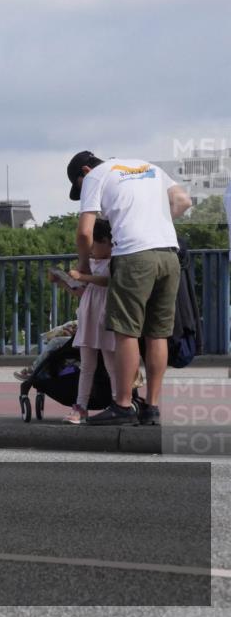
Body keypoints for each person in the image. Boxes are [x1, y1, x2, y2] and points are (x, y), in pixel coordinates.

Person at [67, 151, 191, 425]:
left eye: (78, 186)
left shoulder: (95, 176)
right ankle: (152, 408)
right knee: (157, 333)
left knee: (126, 332)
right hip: (168, 254)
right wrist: (154, 224)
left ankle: (123, 405)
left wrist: (84, 265)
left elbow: (85, 233)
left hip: (134, 256)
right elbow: (183, 201)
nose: (83, 191)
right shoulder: (149, 166)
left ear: (85, 171)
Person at [61, 219, 118, 424]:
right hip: (90, 316)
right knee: (87, 365)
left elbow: (108, 281)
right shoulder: (92, 263)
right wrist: (65, 282)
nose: (90, 250)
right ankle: (81, 406)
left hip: (106, 317)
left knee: (113, 364)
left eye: (93, 245)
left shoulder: (114, 262)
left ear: (106, 242)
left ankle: (118, 403)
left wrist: (84, 276)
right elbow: (84, 291)